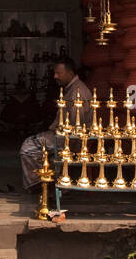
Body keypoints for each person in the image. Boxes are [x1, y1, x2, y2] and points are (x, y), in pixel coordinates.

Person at [20, 57, 92, 192]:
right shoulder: (72, 89)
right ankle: (49, 181)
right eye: (55, 73)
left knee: (27, 148)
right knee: (33, 141)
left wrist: (55, 131)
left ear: (70, 73)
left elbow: (76, 123)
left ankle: (40, 185)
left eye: (59, 73)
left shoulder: (78, 92)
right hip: (64, 135)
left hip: (72, 139)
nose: (55, 76)